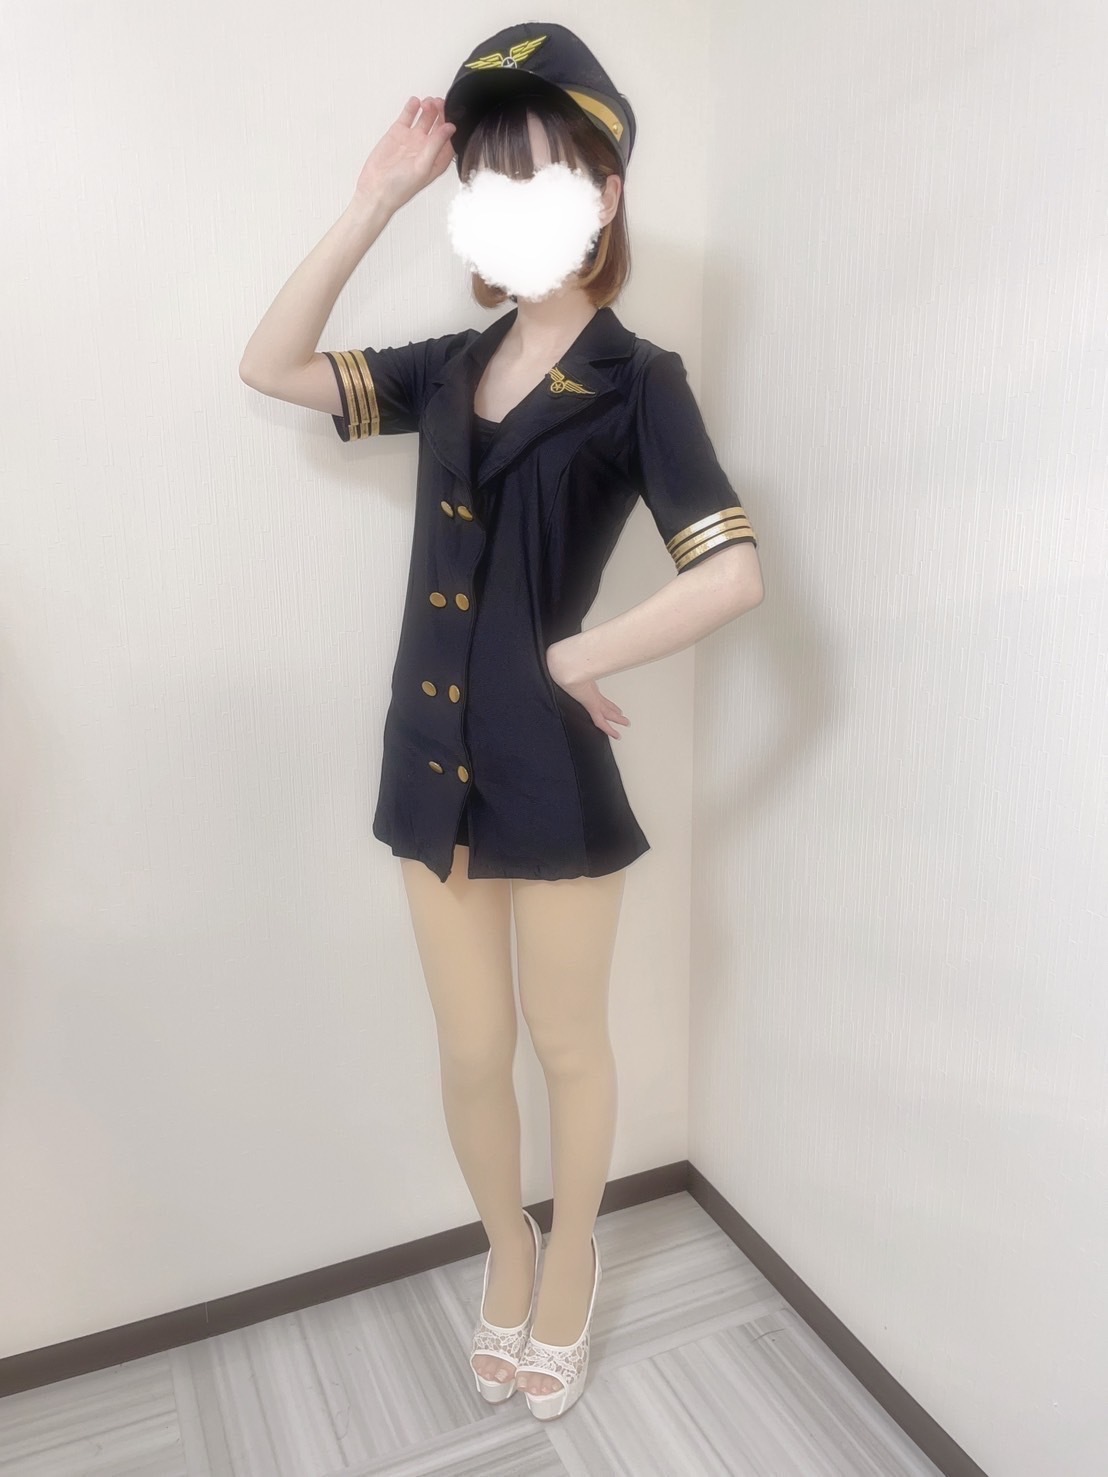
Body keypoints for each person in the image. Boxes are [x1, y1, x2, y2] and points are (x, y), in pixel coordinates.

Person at [239, 23, 763, 1421]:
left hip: (551, 770)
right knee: (471, 1049)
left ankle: (573, 1254)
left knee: (566, 1041)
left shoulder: (639, 379)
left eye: (544, 174)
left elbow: (732, 571)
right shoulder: (447, 369)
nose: (513, 201)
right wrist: (376, 197)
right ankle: (508, 1243)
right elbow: (270, 365)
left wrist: (580, 648)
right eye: (490, 178)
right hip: (429, 757)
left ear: (606, 195)